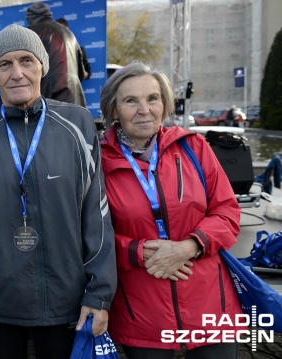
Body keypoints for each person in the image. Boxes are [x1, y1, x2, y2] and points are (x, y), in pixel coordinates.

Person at [0, 24, 116, 359]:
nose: (17, 73)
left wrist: (99, 294)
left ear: (42, 67)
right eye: (5, 64)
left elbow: (97, 216)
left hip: (68, 302)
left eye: (26, 61)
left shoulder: (77, 124)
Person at [99, 62, 243, 358]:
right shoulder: (97, 162)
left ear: (164, 104)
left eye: (152, 98)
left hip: (210, 307)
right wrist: (137, 251)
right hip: (141, 311)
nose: (144, 109)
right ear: (114, 110)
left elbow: (227, 213)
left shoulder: (194, 148)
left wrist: (190, 246)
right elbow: (87, 233)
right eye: (130, 101)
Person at [26, 2, 86, 107]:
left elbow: (25, 68)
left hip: (50, 94)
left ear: (30, 18)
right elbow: (81, 72)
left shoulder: (31, 33)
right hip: (75, 94)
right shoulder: (70, 34)